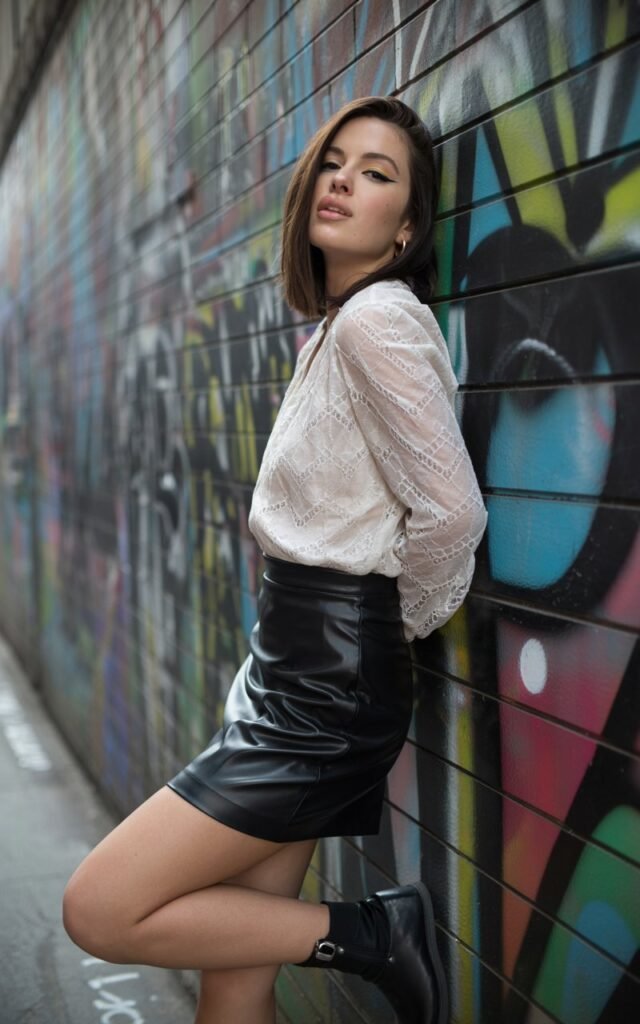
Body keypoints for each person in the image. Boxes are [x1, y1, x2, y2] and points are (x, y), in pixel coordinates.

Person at [63, 95, 487, 1024]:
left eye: (377, 174)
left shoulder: (377, 320)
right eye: (336, 160)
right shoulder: (335, 328)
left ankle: (374, 935)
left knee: (99, 906)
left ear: (407, 226)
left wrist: (383, 628)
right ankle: (363, 931)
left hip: (325, 690)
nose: (343, 179)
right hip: (294, 673)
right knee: (235, 986)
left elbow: (451, 511)